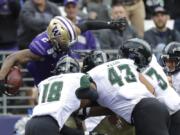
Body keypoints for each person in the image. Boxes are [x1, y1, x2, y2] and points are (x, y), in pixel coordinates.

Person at [0, 16, 127, 94]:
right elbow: (12, 57)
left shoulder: (65, 35)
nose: (69, 45)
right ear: (54, 39)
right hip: (47, 81)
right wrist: (1, 78)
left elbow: (88, 25)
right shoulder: (40, 51)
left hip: (63, 68)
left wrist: (111, 25)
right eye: (66, 42)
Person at [84, 38, 170, 135]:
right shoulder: (127, 63)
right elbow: (152, 90)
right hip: (157, 108)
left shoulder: (92, 75)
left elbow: (83, 98)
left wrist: (84, 111)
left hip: (144, 113)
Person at [25, 55, 103, 135]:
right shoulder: (77, 77)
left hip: (31, 124)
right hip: (48, 126)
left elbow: (62, 129)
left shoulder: (44, 82)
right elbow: (94, 94)